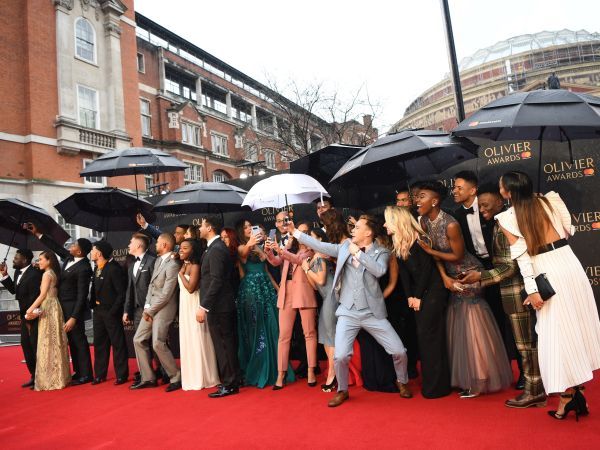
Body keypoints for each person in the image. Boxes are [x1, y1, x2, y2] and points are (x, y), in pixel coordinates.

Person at [496, 171, 600, 420]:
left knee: (556, 335)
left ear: (507, 192)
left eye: (500, 186)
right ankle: (577, 395)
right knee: (573, 328)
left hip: (545, 269)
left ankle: (567, 398)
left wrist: (532, 290)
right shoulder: (551, 199)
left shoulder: (507, 217)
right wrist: (543, 205)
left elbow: (522, 257)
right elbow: (569, 230)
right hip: (569, 263)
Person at [290, 215, 412, 407]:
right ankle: (342, 390)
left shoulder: (381, 252)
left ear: (368, 232)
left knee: (399, 351)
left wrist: (359, 254)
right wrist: (295, 232)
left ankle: (402, 381)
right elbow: (320, 246)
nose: (352, 230)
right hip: (347, 311)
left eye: (357, 227)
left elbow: (379, 271)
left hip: (372, 313)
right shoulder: (344, 247)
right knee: (340, 356)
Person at [416, 180, 512, 398]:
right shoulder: (424, 221)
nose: (417, 201)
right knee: (458, 325)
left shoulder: (450, 224)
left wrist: (431, 252)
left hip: (469, 273)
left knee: (472, 324)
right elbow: (436, 259)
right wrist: (444, 278)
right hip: (450, 276)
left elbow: (457, 255)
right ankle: (466, 377)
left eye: (422, 196)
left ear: (435, 201)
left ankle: (479, 379)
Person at [460, 184, 545, 408]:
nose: (482, 210)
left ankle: (534, 391)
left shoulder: (505, 223)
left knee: (526, 346)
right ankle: (538, 387)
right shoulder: (500, 223)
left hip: (518, 292)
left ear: (500, 201)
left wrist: (480, 276)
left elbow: (510, 267)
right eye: (480, 207)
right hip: (517, 292)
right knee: (528, 344)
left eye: (486, 205)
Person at [452, 171, 514, 383]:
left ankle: (521, 371)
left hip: (502, 265)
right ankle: (495, 369)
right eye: (454, 187)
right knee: (489, 321)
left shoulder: (491, 209)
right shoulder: (456, 216)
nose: (454, 191)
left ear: (473, 190)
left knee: (510, 318)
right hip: (477, 270)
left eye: (459, 187)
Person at [384, 206, 451, 398]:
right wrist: (410, 297)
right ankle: (432, 384)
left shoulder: (421, 239)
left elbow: (427, 271)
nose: (384, 225)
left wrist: (417, 296)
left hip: (434, 291)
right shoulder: (399, 242)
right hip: (419, 293)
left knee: (430, 337)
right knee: (424, 338)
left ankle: (437, 387)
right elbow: (405, 274)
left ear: (397, 221)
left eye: (387, 220)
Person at [29, 224, 94, 386]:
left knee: (79, 340)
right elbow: (56, 248)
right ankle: (78, 372)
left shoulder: (84, 268)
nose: (71, 246)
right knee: (71, 340)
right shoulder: (70, 258)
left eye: (74, 245)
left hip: (73, 309)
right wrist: (38, 233)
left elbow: (82, 295)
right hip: (61, 306)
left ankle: (86, 374)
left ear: (79, 251)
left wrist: (74, 317)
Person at [236, 220, 290, 388]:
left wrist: (278, 288)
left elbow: (266, 270)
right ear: (240, 231)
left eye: (250, 226)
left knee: (273, 326)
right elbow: (243, 254)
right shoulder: (240, 247)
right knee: (256, 328)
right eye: (245, 227)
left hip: (266, 288)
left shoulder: (259, 246)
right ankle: (259, 368)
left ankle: (276, 367)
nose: (248, 229)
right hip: (251, 291)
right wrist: (251, 242)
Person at [266, 221, 318, 389]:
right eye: (298, 231)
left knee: (309, 333)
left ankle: (311, 370)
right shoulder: (289, 246)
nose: (300, 234)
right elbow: (276, 262)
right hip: (286, 292)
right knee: (284, 336)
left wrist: (281, 250)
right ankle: (281, 374)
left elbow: (298, 260)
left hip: (303, 292)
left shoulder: (311, 250)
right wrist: (270, 251)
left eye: (304, 231)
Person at [132, 233, 182, 392]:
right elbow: (151, 286)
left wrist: (151, 310)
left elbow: (167, 294)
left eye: (158, 242)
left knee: (157, 343)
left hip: (164, 308)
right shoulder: (159, 260)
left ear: (165, 245)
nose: (155, 245)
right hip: (151, 307)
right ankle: (148, 378)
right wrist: (147, 306)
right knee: (138, 339)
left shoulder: (173, 264)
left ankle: (176, 376)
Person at [197, 216, 241, 398]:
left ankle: (230, 384)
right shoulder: (215, 248)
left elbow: (216, 280)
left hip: (219, 306)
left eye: (201, 225)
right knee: (226, 344)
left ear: (209, 228)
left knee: (224, 345)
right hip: (221, 305)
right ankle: (232, 380)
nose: (199, 228)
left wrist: (204, 306)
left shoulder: (216, 249)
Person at [24, 251, 70, 391]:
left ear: (49, 261)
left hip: (48, 308)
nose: (39, 262)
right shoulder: (53, 273)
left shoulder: (46, 274)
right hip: (55, 306)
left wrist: (30, 309)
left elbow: (42, 295)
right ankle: (59, 376)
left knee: (47, 342)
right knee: (55, 342)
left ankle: (49, 379)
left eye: (41, 259)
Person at [178, 239, 220, 390]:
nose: (181, 250)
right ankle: (192, 376)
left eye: (185, 248)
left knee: (197, 338)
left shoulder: (195, 266)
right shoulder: (185, 263)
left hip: (194, 305)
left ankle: (203, 376)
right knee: (189, 339)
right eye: (180, 247)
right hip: (185, 306)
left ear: (193, 250)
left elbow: (191, 288)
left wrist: (180, 274)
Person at [1, 249, 43, 388]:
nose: (13, 260)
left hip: (34, 316)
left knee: (35, 346)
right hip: (25, 316)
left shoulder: (35, 274)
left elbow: (35, 297)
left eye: (16, 258)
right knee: (26, 345)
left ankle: (41, 377)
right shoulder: (18, 272)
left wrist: (29, 316)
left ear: (24, 260)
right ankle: (34, 375)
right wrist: (5, 275)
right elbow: (15, 290)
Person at [89, 241, 129, 385]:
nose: (91, 252)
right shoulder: (97, 268)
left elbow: (121, 293)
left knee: (117, 343)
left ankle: (121, 375)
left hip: (111, 312)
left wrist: (113, 311)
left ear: (99, 253)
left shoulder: (114, 269)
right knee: (99, 343)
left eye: (93, 250)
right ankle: (100, 374)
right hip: (98, 311)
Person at [302, 227, 337, 391]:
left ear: (320, 240)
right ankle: (333, 371)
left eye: (312, 237)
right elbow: (315, 286)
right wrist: (306, 269)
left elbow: (322, 281)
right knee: (325, 336)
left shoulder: (321, 258)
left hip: (331, 298)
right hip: (325, 298)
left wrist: (307, 269)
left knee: (330, 337)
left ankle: (333, 374)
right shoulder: (315, 258)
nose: (308, 240)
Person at [123, 233, 159, 385]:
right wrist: (126, 310)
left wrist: (151, 308)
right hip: (137, 310)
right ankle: (147, 375)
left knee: (156, 342)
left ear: (138, 245)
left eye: (131, 242)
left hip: (151, 309)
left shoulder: (152, 261)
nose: (128, 245)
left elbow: (156, 286)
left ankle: (163, 372)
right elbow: (129, 289)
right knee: (141, 342)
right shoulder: (131, 265)